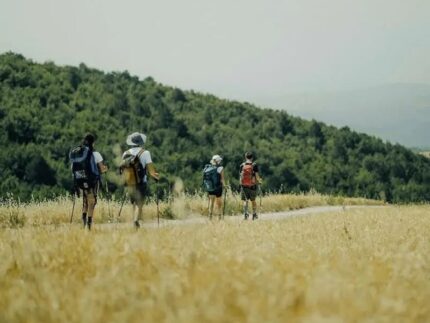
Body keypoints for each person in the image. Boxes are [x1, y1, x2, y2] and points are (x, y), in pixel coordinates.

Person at [121, 132, 159, 228]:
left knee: (133, 202)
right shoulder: (145, 153)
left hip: (129, 182)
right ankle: (136, 220)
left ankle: (135, 219)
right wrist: (156, 176)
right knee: (140, 203)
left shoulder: (126, 153)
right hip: (141, 182)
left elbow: (122, 169)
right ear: (141, 142)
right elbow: (151, 171)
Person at [74, 133, 108, 230]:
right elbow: (102, 169)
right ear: (93, 143)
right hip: (92, 181)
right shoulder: (96, 154)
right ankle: (88, 225)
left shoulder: (80, 154)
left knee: (85, 200)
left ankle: (83, 222)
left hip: (81, 180)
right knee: (92, 202)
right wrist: (106, 169)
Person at [239, 152, 261, 220]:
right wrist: (259, 181)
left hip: (244, 186)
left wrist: (241, 184)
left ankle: (245, 213)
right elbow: (257, 176)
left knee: (245, 201)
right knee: (253, 200)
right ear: (252, 158)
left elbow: (240, 176)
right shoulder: (254, 165)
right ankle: (254, 214)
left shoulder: (242, 165)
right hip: (253, 186)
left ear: (245, 157)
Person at [203, 154, 225, 220]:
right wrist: (225, 186)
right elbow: (222, 179)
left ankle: (210, 217)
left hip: (210, 188)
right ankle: (219, 217)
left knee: (211, 202)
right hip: (218, 188)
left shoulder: (207, 168)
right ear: (218, 161)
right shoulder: (220, 168)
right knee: (219, 203)